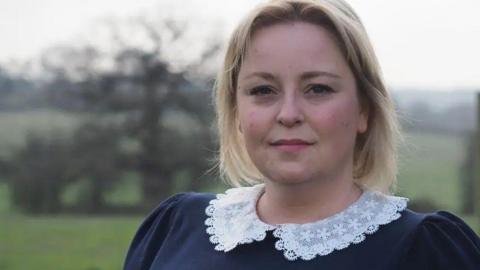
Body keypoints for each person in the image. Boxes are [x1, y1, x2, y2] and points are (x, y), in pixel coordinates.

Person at [123, 0, 480, 269]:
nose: (289, 114)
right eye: (263, 90)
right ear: (236, 111)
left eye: (318, 89)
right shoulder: (174, 228)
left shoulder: (426, 250)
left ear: (364, 109)